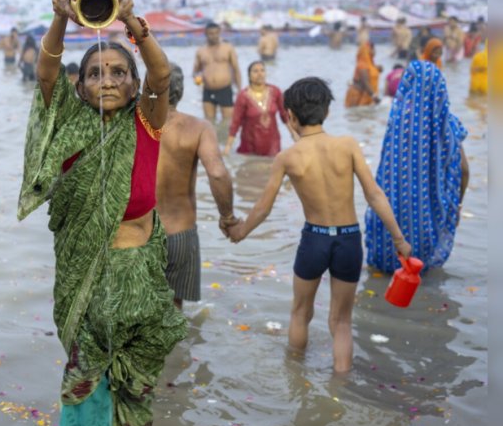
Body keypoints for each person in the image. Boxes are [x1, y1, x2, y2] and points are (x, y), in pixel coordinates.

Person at [18, 0, 187, 426]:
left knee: (139, 383)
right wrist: (59, 20)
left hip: (144, 280)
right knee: (85, 385)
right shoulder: (69, 129)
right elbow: (46, 72)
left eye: (118, 73)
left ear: (134, 86)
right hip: (86, 285)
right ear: (80, 86)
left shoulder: (147, 124)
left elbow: (161, 73)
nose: (107, 81)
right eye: (94, 73)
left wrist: (130, 18)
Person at [225, 77, 412, 373]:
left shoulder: (287, 158)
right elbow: (374, 195)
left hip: (315, 240)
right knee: (341, 322)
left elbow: (263, 208)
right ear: (327, 112)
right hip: (349, 240)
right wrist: (399, 240)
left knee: (300, 313)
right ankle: (341, 384)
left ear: (290, 116)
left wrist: (239, 232)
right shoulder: (347, 145)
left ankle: (296, 378)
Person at [365, 61, 468, 274]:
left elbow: (386, 167)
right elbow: (464, 170)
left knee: (384, 276)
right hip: (429, 214)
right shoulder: (450, 125)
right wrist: (457, 206)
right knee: (421, 273)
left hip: (392, 214)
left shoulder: (398, 122)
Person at [157, 63, 237, 308]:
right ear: (180, 92)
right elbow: (218, 174)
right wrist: (228, 217)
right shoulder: (199, 128)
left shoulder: (132, 125)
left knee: (136, 311)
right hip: (181, 233)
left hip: (139, 235)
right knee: (173, 312)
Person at [225, 61, 289, 156]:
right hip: (250, 143)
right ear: (249, 75)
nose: (260, 74)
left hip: (272, 143)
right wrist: (228, 147)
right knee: (250, 169)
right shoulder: (243, 96)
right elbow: (235, 122)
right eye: (255, 71)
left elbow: (285, 115)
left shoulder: (275, 92)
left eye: (262, 70)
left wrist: (295, 135)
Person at [193, 22, 241, 140]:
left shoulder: (228, 48)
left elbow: (236, 69)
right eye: (210, 33)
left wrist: (239, 90)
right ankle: (213, 145)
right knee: (209, 123)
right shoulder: (201, 51)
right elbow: (195, 71)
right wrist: (197, 80)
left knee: (227, 123)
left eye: (215, 33)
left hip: (225, 89)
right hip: (208, 90)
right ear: (206, 34)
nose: (213, 36)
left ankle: (225, 148)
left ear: (219, 33)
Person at [345, 42, 382, 107]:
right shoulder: (362, 65)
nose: (374, 51)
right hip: (357, 95)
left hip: (365, 94)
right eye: (372, 49)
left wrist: (378, 68)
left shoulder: (370, 64)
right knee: (356, 115)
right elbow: (365, 82)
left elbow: (373, 72)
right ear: (367, 50)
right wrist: (374, 96)